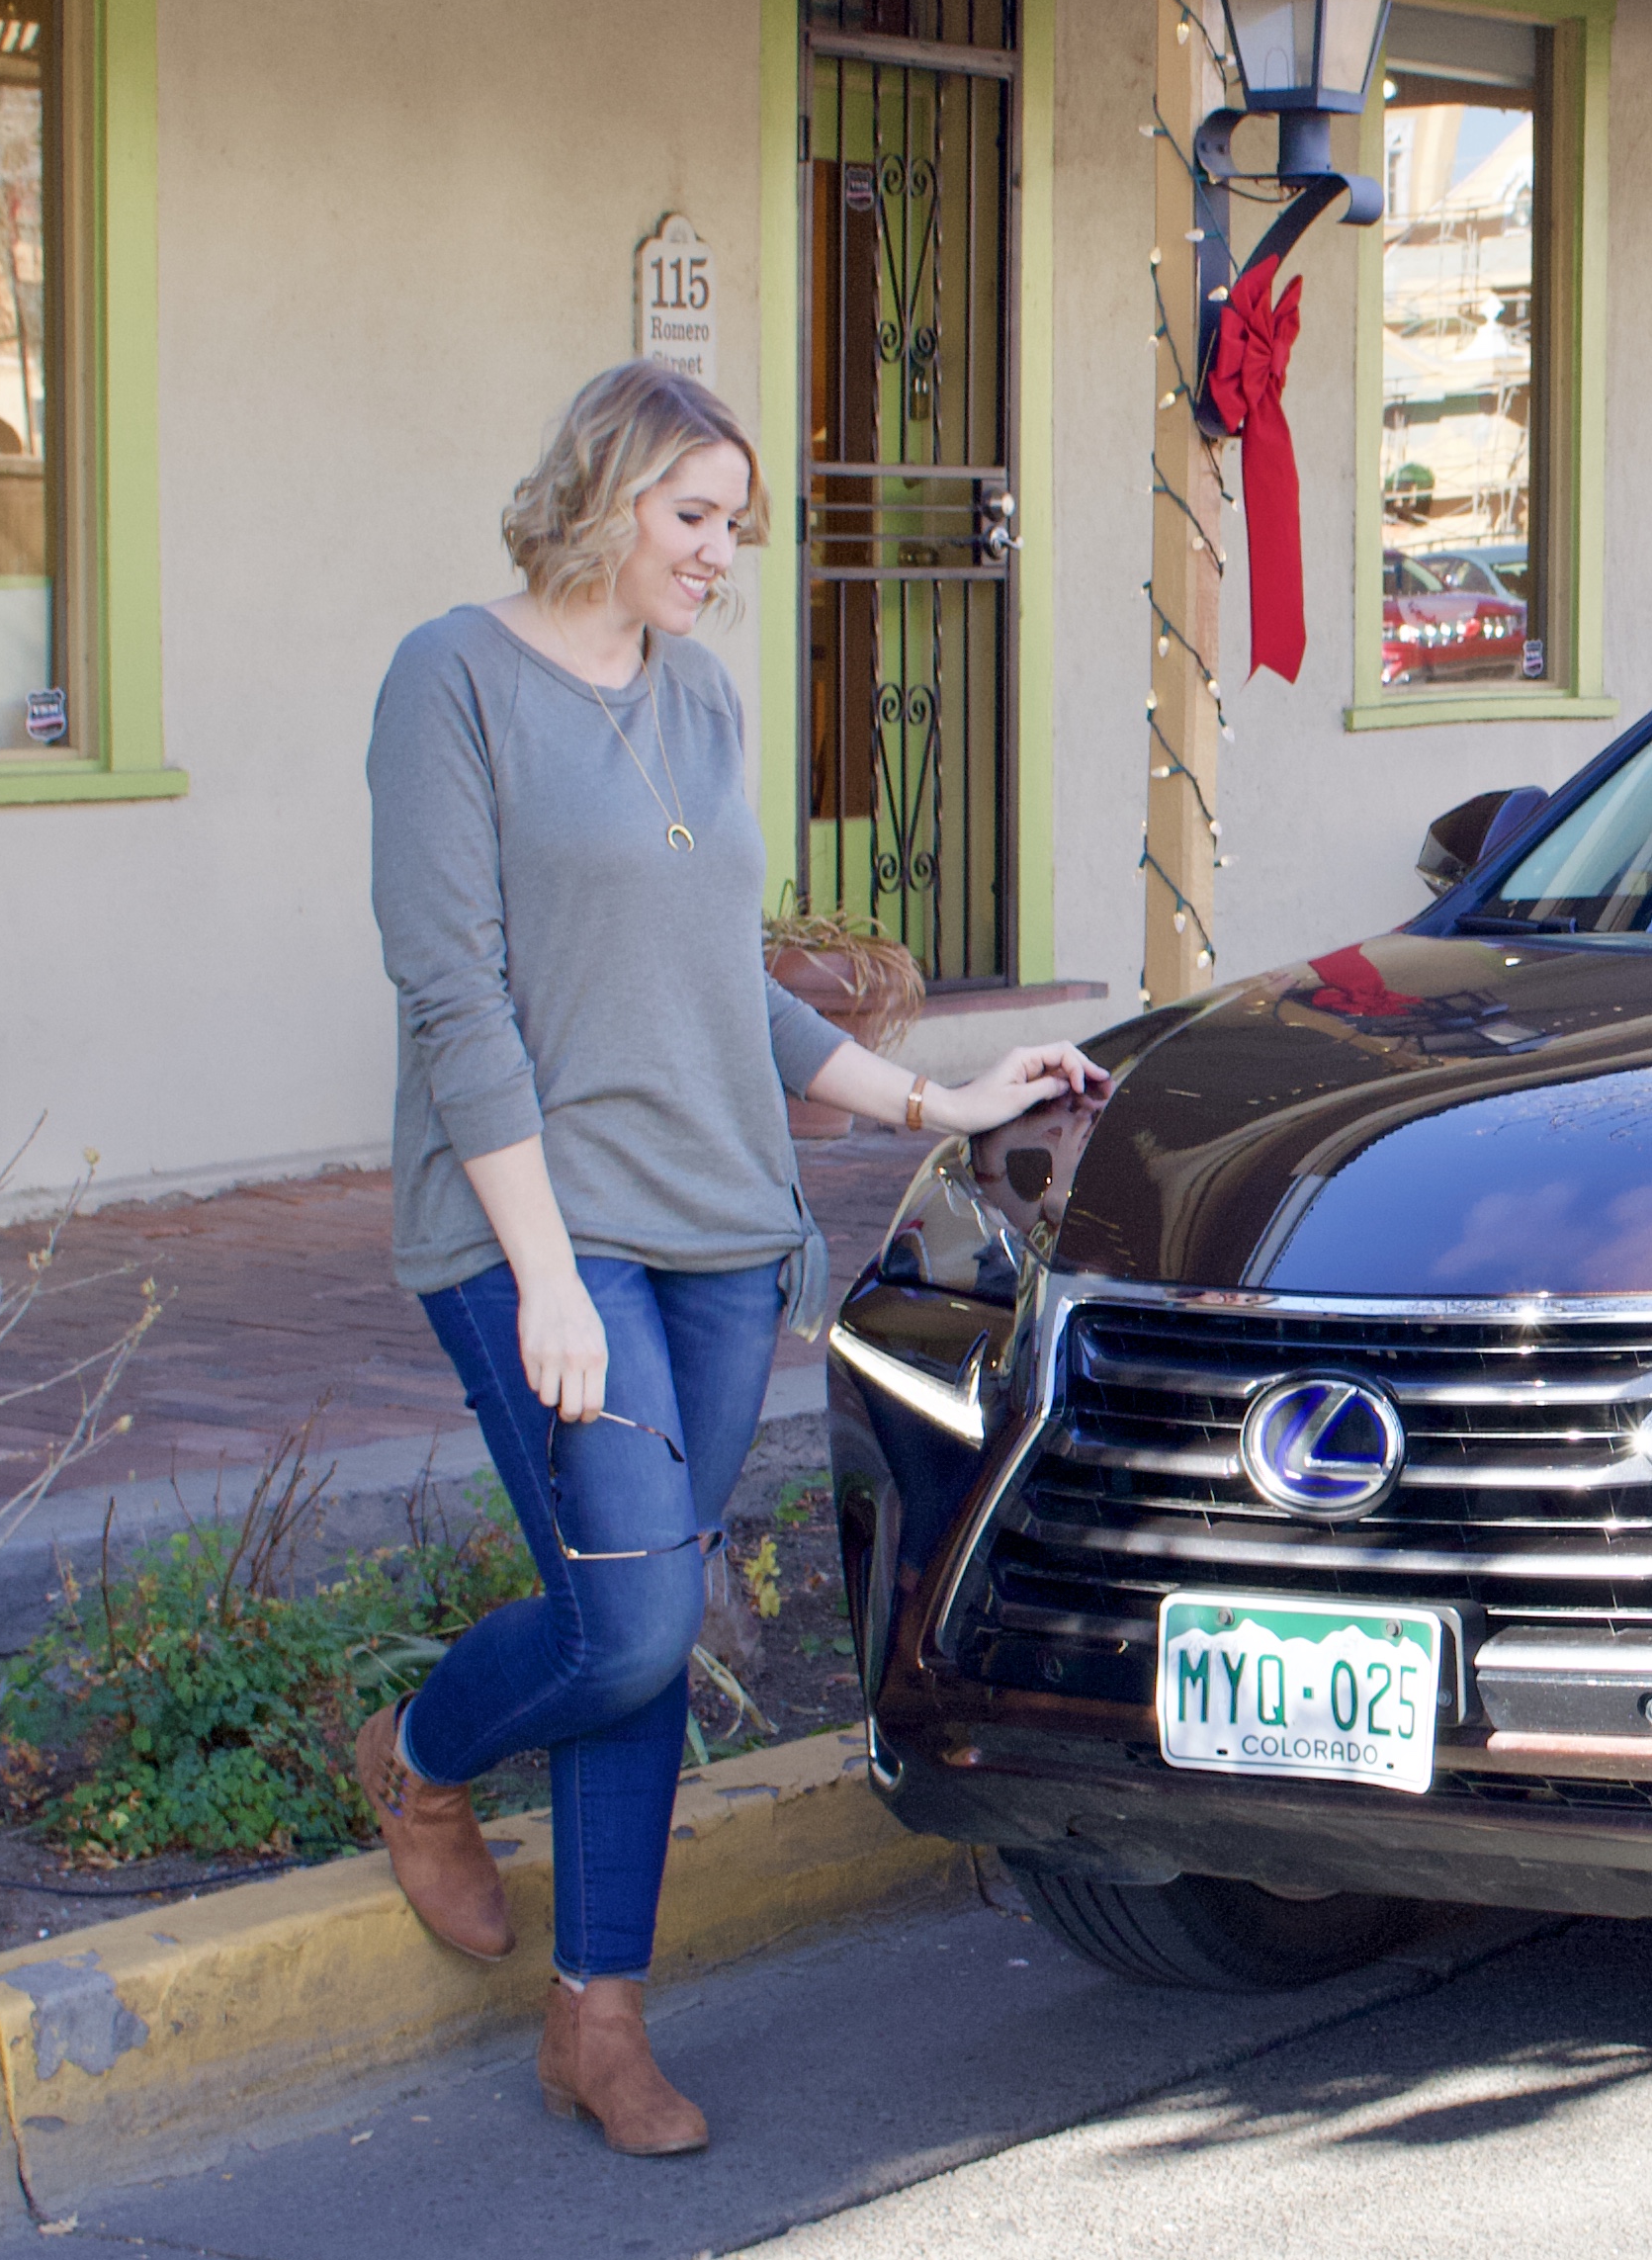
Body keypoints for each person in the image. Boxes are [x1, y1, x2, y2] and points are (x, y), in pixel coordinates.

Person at [362, 359, 1100, 2155]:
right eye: (695, 518)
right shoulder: (450, 681)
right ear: (604, 495)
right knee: (635, 1613)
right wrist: (543, 1276)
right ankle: (417, 1761)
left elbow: (726, 983)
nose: (721, 554)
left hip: (716, 1228)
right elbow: (454, 1000)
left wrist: (935, 1099)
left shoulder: (694, 700)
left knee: (648, 1624)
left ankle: (596, 2020)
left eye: (735, 527)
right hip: (540, 1228)